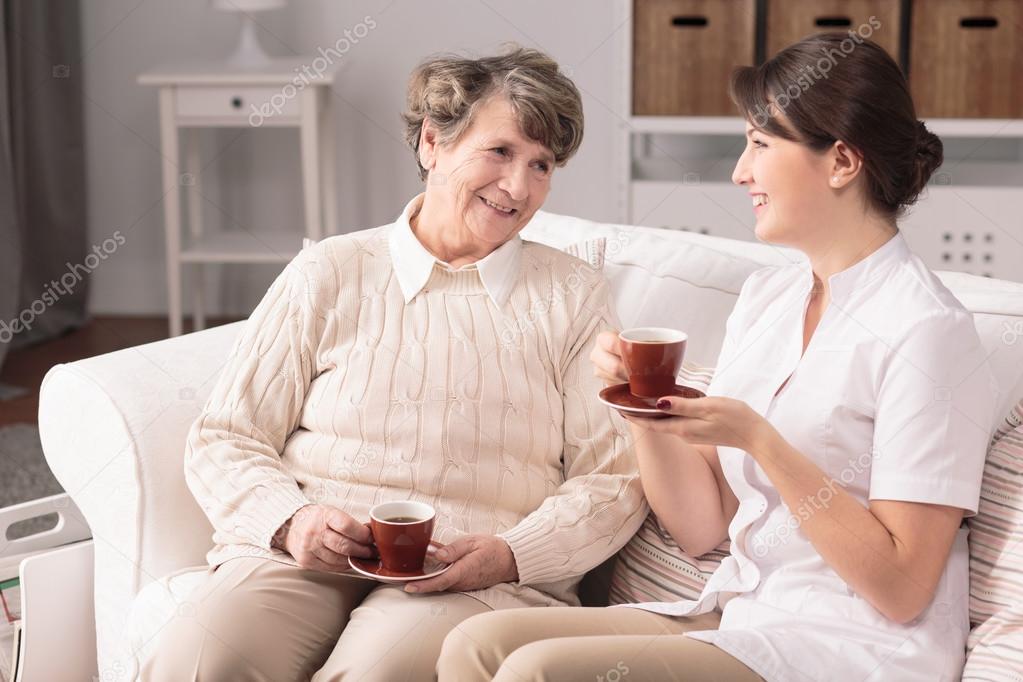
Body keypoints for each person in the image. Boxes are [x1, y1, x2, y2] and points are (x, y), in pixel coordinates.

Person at [438, 33, 995, 682]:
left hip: (851, 649)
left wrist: (762, 441)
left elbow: (901, 586)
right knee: (476, 643)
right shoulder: (769, 298)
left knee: (535, 671)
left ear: (841, 161)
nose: (739, 171)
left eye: (760, 143)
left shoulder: (926, 331)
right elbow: (703, 526)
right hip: (745, 611)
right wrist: (641, 406)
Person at [143, 46, 646, 682]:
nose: (520, 187)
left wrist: (510, 555)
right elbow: (227, 435)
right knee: (199, 653)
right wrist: (290, 521)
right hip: (308, 559)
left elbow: (614, 478)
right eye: (500, 152)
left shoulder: (572, 295)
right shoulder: (330, 270)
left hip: (472, 576)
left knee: (378, 670)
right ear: (433, 143)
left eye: (541, 165)